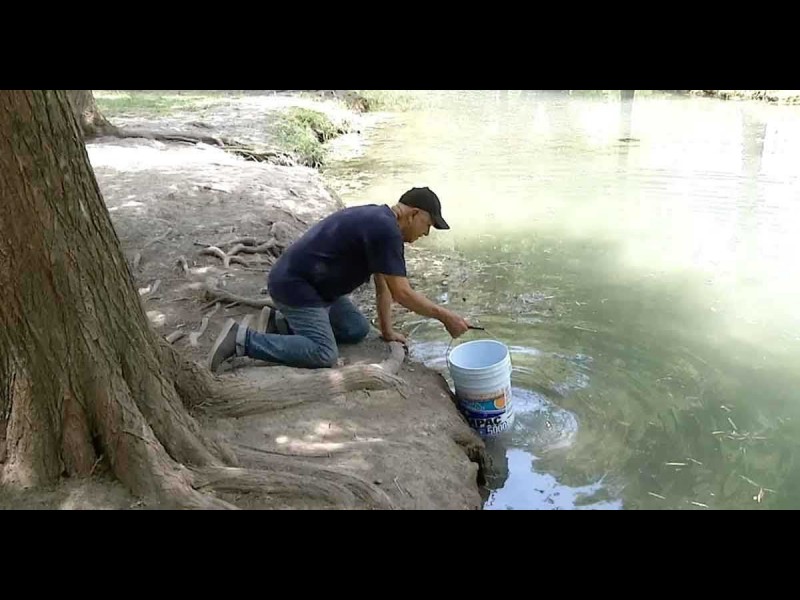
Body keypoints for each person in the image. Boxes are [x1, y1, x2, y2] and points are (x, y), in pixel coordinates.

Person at [208, 186, 471, 371]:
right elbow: (403, 294)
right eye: (428, 224)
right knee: (324, 353)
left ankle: (279, 324)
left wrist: (388, 332)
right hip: (296, 287)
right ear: (413, 214)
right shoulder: (386, 231)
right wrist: (445, 317)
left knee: (356, 329)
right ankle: (241, 340)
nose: (426, 233)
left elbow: (385, 288)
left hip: (316, 288)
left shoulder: (380, 221)